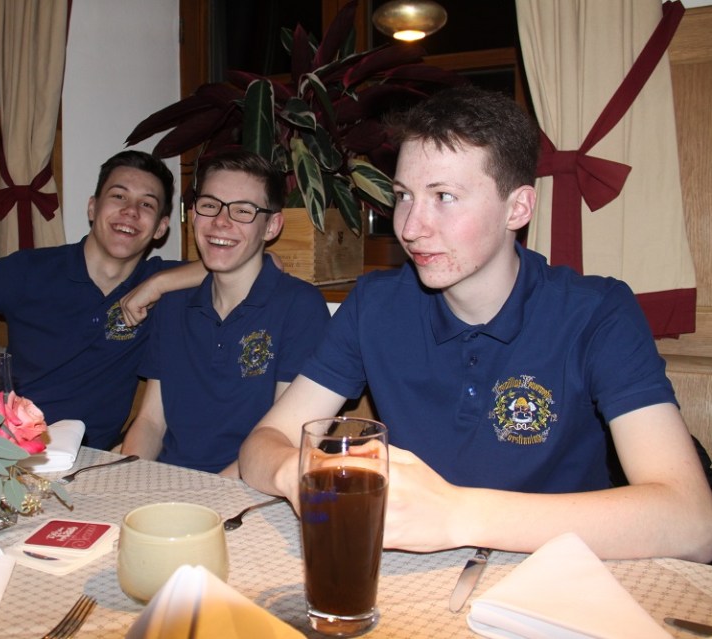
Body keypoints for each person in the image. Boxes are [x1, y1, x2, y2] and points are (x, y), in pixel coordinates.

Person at [238, 86, 712, 561]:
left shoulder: (598, 312)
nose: (410, 228)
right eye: (403, 196)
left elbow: (694, 523)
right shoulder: (375, 305)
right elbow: (263, 445)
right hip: (417, 576)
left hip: (557, 579)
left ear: (518, 208)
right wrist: (303, 474)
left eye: (444, 196)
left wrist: (456, 514)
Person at [0, 150, 206, 450]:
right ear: (92, 208)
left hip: (89, 461)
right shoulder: (27, 270)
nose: (131, 211)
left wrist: (157, 284)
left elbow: (235, 265)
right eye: (119, 196)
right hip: (5, 451)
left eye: (147, 204)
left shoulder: (162, 282)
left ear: (160, 227)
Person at [121, 151, 330, 477]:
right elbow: (150, 422)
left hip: (250, 490)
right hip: (167, 484)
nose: (221, 221)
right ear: (193, 214)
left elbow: (287, 442)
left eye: (243, 211)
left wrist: (206, 499)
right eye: (210, 205)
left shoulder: (300, 307)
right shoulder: (173, 304)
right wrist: (128, 481)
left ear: (271, 226)